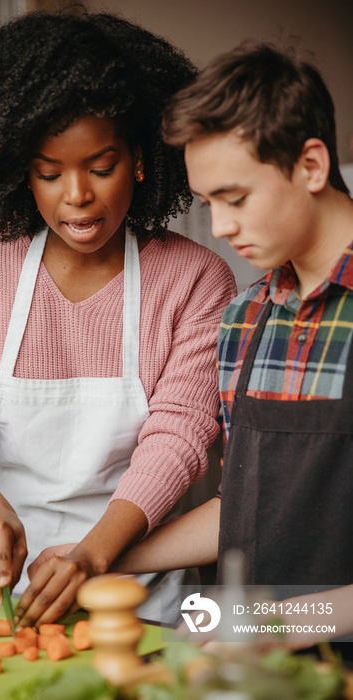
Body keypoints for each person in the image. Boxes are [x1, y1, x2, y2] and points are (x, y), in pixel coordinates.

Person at [0, 9, 236, 626]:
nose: (76, 195)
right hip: (7, 596)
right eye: (49, 173)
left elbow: (179, 438)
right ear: (18, 172)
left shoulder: (193, 278)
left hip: (142, 598)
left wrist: (94, 554)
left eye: (101, 167)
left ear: (140, 158)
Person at [114, 41, 353, 651]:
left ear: (312, 165)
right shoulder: (245, 317)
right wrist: (104, 559)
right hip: (259, 671)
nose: (219, 227)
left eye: (236, 198)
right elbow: (244, 508)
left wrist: (270, 629)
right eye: (208, 203)